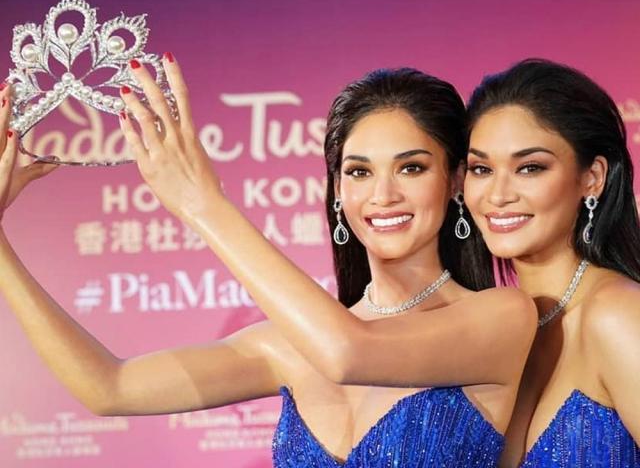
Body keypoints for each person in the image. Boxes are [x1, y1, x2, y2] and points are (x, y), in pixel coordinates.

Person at [0, 65, 535, 467]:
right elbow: (108, 387)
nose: (383, 195)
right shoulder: (290, 347)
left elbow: (348, 353)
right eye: (358, 172)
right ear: (336, 191)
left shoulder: (502, 318)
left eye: (411, 168)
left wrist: (204, 206)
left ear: (456, 180)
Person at [464, 58, 640, 467]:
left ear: (592, 178)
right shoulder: (496, 330)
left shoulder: (617, 312)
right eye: (481, 169)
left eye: (530, 168)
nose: (498, 194)